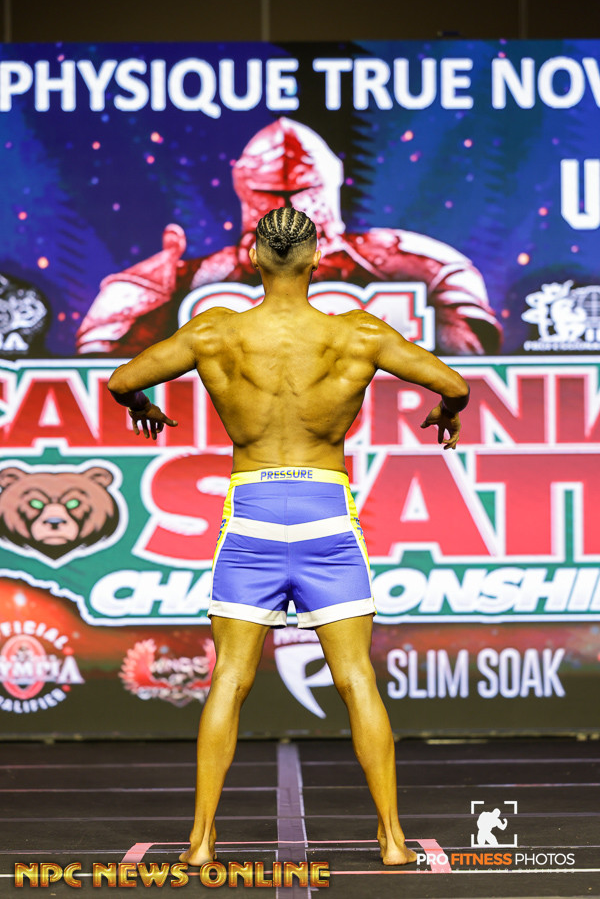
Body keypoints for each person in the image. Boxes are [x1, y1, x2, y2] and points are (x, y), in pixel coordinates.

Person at [108, 206, 470, 868]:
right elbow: (455, 384)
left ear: (253, 257)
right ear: (315, 258)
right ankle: (392, 840)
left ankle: (201, 842)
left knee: (229, 680)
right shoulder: (358, 333)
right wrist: (446, 412)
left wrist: (143, 407)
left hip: (251, 515)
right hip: (326, 514)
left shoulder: (215, 331)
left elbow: (121, 380)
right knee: (356, 678)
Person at [82, 117, 501, 357]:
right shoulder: (193, 277)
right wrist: (155, 288)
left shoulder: (417, 264)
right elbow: (100, 363)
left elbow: (469, 360)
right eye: (270, 193)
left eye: (302, 191)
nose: (287, 207)